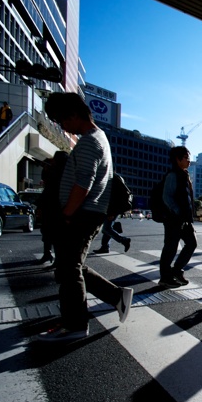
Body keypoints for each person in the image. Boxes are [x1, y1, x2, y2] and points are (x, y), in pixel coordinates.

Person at [35, 92, 133, 342]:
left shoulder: (90, 141)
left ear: (74, 115)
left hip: (81, 213)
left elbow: (83, 183)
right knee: (73, 266)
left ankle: (76, 324)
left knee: (69, 270)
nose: (61, 126)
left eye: (60, 120)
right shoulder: (97, 138)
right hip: (86, 213)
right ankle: (116, 297)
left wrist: (67, 213)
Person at [159, 146, 198, 287]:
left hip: (184, 219)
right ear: (178, 159)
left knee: (192, 243)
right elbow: (167, 197)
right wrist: (177, 212)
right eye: (186, 158)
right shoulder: (173, 175)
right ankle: (165, 277)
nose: (189, 160)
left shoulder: (184, 174)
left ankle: (176, 270)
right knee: (170, 247)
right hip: (173, 219)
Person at [37, 151, 69, 265]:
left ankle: (55, 257)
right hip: (53, 206)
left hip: (55, 206)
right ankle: (48, 254)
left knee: (55, 234)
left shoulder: (61, 173)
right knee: (47, 232)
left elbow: (48, 188)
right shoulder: (62, 172)